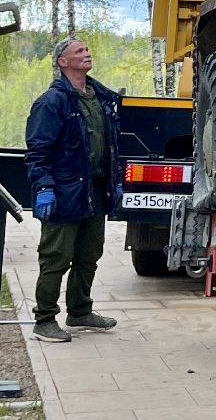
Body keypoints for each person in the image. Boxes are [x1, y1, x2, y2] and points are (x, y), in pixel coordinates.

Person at [25, 37, 122, 342]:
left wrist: (114, 181)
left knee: (89, 254)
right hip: (64, 192)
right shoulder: (51, 102)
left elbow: (110, 145)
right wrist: (44, 187)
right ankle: (44, 320)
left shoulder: (98, 98)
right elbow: (38, 151)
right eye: (78, 51)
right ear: (62, 62)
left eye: (87, 49)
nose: (86, 53)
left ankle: (79, 311)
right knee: (56, 257)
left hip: (94, 191)